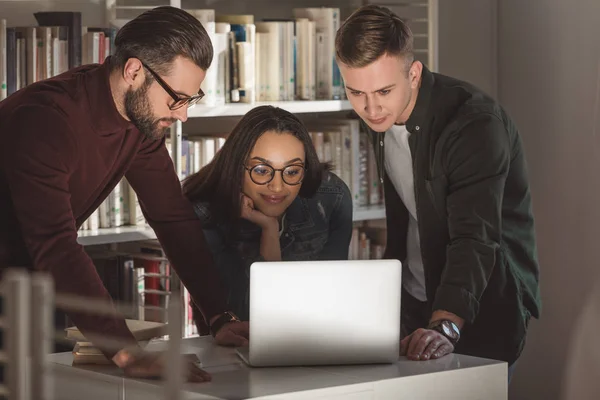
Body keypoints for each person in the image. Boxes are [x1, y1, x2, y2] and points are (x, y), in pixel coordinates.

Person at [0, 6, 248, 383]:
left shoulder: (140, 121)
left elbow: (171, 216)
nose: (183, 116)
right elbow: (56, 245)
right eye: (176, 98)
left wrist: (218, 315)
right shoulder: (45, 120)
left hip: (27, 286)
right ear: (134, 71)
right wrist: (128, 354)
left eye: (191, 99)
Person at [335, 4, 541, 381]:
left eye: (383, 90)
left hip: (481, 307)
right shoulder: (379, 114)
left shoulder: (474, 124)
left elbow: (474, 237)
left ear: (413, 74)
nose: (370, 107)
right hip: (415, 302)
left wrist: (445, 324)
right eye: (355, 92)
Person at [182, 105, 353, 330]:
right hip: (230, 351)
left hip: (313, 342)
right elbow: (244, 318)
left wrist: (269, 228)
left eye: (292, 171)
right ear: (236, 166)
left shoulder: (332, 198)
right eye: (262, 170)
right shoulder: (202, 213)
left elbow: (331, 302)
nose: (277, 186)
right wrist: (268, 231)